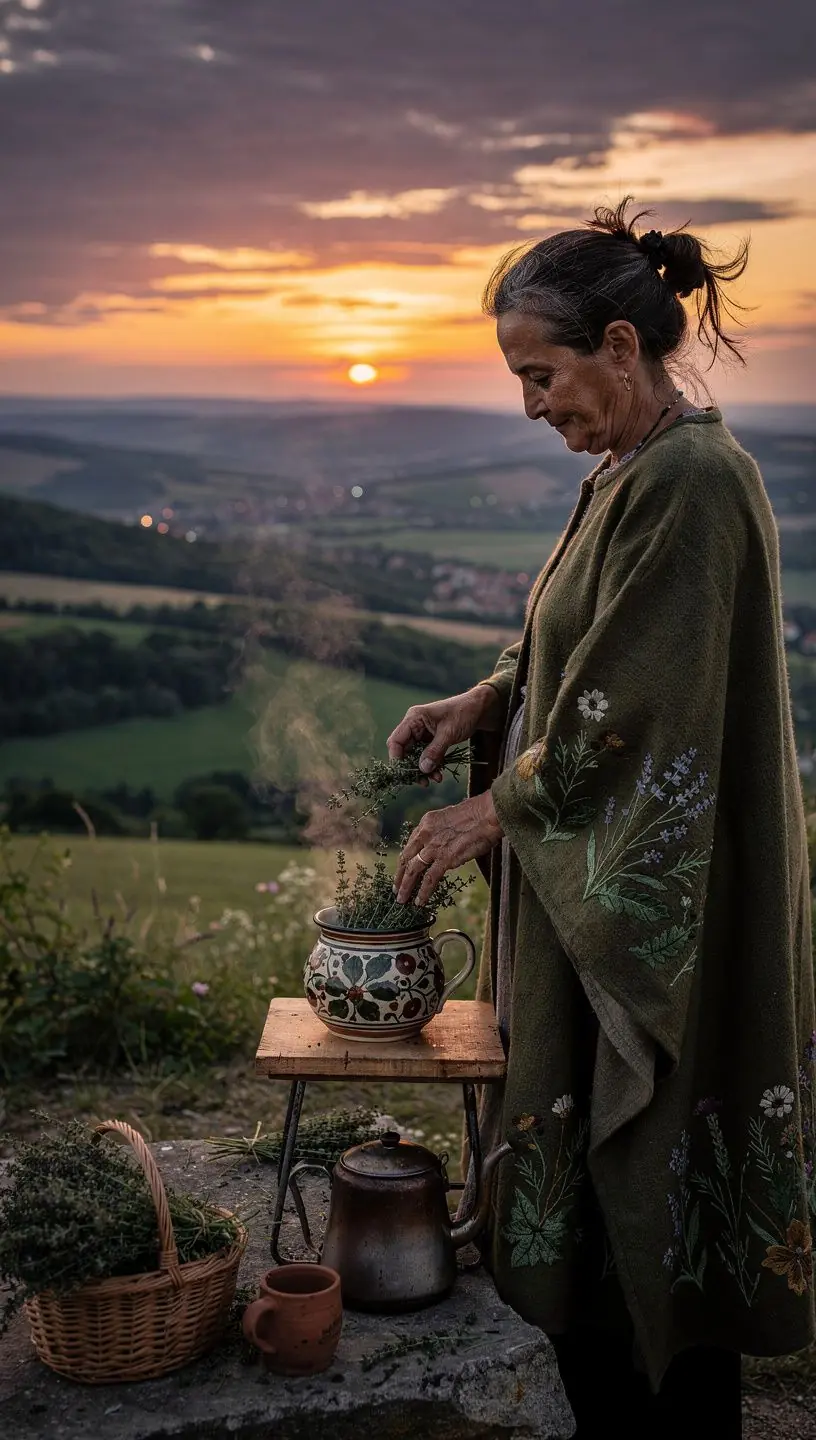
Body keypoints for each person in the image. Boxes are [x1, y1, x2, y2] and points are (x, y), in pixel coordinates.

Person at [388, 200, 815, 1438]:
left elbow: (641, 707)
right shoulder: (631, 472)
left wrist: (500, 813)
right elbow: (580, 653)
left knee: (653, 1233)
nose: (531, 405)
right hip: (605, 895)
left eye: (542, 374)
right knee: (598, 1242)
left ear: (621, 348)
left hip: (678, 914)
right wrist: (486, 700)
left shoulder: (693, 482)